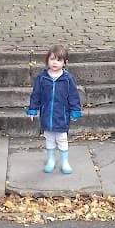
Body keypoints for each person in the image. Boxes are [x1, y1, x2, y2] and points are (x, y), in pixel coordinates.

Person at [25, 44, 82, 174]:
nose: (55, 62)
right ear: (47, 61)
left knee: (62, 138)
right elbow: (36, 95)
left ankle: (64, 161)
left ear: (64, 63)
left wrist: (75, 109)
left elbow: (73, 96)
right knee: (49, 138)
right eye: (52, 59)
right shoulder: (42, 78)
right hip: (46, 114)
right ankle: (50, 159)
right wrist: (33, 109)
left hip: (62, 115)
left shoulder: (68, 79)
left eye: (58, 60)